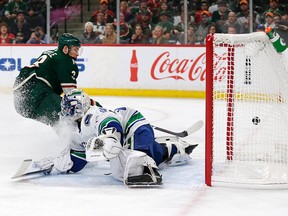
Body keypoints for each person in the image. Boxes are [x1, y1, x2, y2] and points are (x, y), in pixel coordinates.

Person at [31, 89, 197, 186]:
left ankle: (173, 149)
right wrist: (58, 166)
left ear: (82, 105)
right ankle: (171, 149)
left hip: (134, 126)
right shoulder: (74, 130)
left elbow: (111, 121)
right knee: (127, 167)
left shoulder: (93, 114)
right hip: (124, 140)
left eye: (70, 107)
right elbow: (79, 158)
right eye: (65, 108)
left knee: (133, 165)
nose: (67, 111)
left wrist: (109, 138)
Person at [13, 33, 84, 127]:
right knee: (68, 113)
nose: (77, 54)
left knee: (56, 119)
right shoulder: (66, 60)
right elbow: (71, 94)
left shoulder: (50, 53)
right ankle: (79, 138)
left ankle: (68, 138)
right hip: (36, 92)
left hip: (21, 102)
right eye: (75, 49)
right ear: (66, 49)